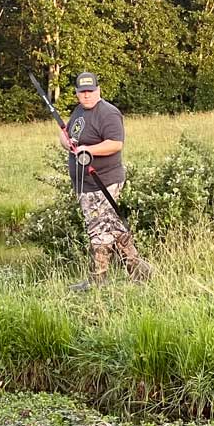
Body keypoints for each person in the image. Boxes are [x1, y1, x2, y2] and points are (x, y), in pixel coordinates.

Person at [61, 71, 151, 291]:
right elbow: (66, 136)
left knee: (98, 229)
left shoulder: (108, 113)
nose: (87, 95)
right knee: (113, 227)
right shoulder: (79, 112)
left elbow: (115, 143)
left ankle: (97, 279)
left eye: (90, 91)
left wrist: (87, 150)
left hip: (104, 181)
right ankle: (139, 270)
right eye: (82, 92)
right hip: (85, 184)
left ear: (98, 90)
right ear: (77, 94)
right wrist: (68, 143)